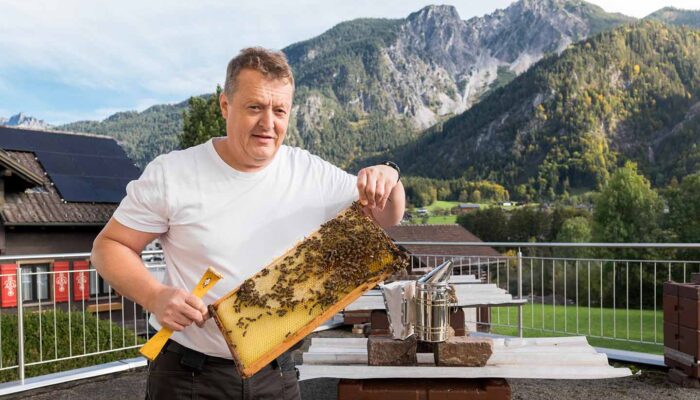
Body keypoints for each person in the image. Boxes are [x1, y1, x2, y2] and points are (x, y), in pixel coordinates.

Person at [91, 47, 405, 400]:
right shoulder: (173, 173)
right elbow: (109, 247)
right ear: (225, 106)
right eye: (255, 107)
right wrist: (155, 296)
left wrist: (390, 176)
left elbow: (386, 216)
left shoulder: (309, 172)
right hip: (187, 376)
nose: (268, 123)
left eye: (279, 110)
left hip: (276, 372)